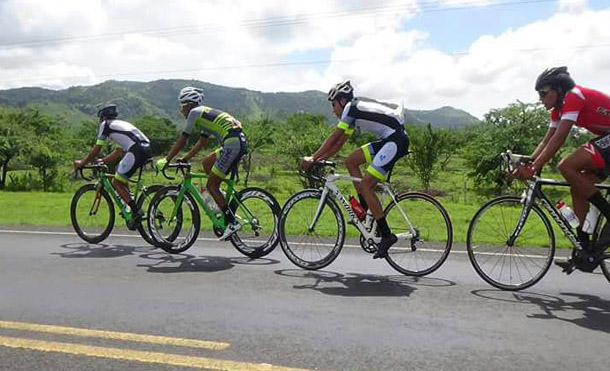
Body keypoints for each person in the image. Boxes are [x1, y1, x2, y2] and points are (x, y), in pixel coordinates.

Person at [513, 66, 610, 273]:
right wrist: (527, 162)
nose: (540, 99)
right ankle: (584, 248)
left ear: (557, 89)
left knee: (566, 166)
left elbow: (558, 140)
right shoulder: (558, 109)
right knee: (578, 186)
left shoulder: (574, 96)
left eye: (543, 93)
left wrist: (534, 167)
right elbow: (546, 140)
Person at [301, 80, 409, 259]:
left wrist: (313, 158)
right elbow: (340, 143)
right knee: (351, 161)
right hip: (388, 139)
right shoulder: (352, 113)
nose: (332, 109)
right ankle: (365, 211)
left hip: (396, 140)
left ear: (342, 101)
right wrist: (321, 159)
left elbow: (334, 136)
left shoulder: (351, 108)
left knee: (366, 185)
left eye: (333, 104)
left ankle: (387, 234)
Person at [155, 87, 247, 240]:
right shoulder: (205, 115)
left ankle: (231, 221)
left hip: (232, 144)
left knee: (211, 185)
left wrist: (167, 159)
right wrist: (185, 159)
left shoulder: (195, 113)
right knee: (206, 163)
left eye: (182, 106)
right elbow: (202, 142)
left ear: (189, 104)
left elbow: (183, 138)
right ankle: (221, 197)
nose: (181, 110)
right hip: (235, 142)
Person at [74, 104, 152, 230]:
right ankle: (130, 204)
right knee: (118, 171)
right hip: (145, 149)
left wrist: (82, 163)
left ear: (102, 118)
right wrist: (101, 161)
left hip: (136, 150)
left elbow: (96, 149)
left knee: (116, 182)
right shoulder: (120, 124)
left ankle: (136, 210)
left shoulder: (105, 125)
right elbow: (118, 153)